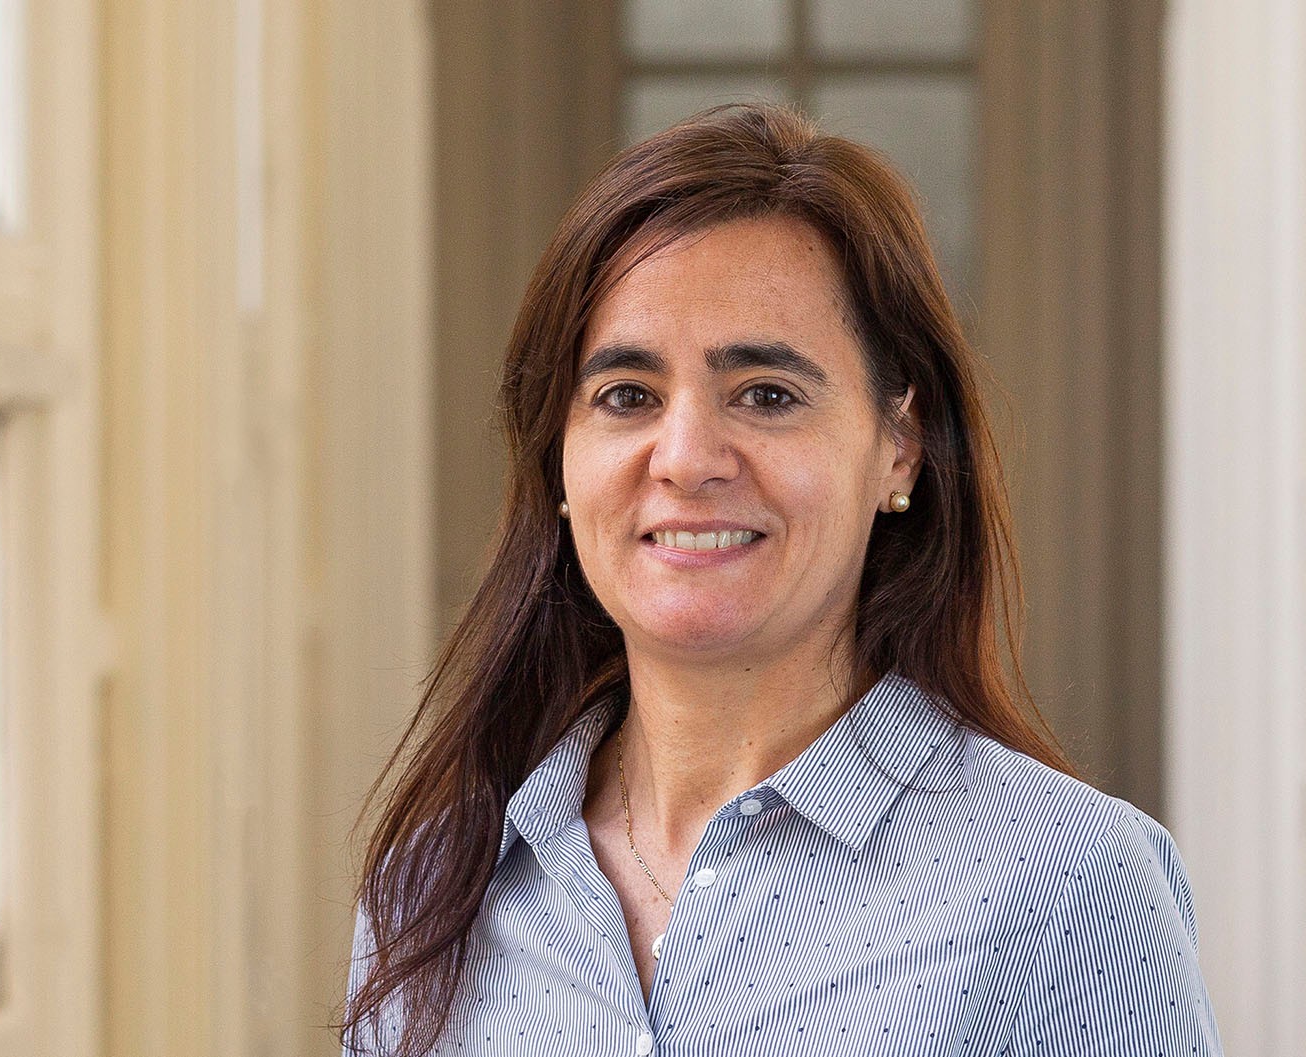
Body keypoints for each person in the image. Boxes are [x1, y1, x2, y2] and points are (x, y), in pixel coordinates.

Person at [341, 102, 1223, 1056]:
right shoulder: (433, 890)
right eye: (627, 396)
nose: (686, 458)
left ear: (899, 448)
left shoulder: (1067, 888)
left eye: (767, 395)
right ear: (558, 456)